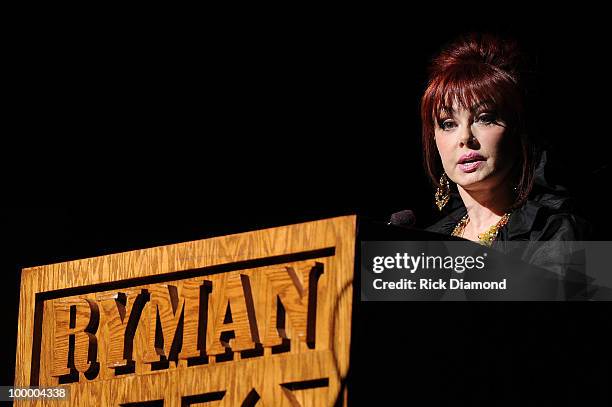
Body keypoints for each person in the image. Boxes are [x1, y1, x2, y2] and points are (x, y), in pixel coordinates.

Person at [421, 33, 591, 247]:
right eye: (448, 124)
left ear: (517, 131)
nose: (465, 138)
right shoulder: (428, 242)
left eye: (485, 119)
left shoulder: (556, 232)